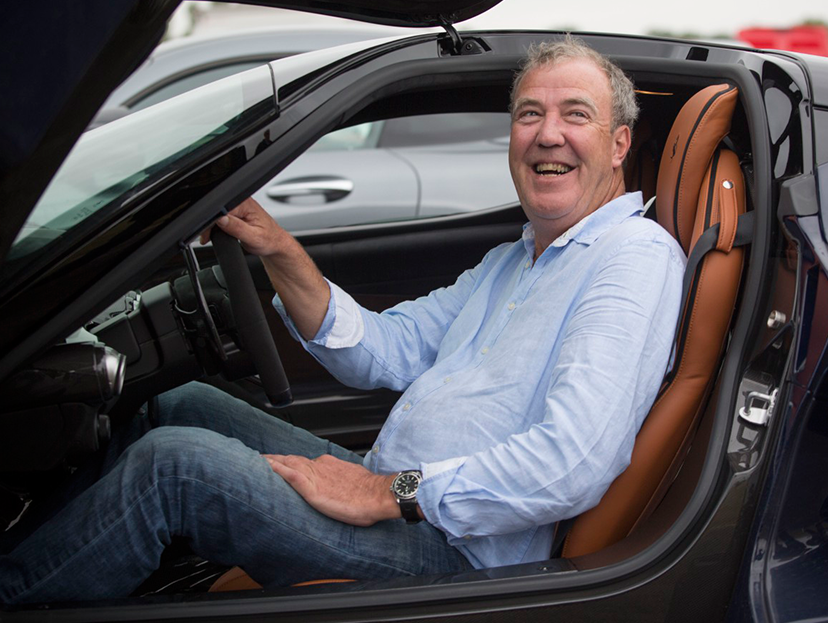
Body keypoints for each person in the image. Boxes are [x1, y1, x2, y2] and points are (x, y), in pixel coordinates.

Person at [0, 36, 685, 604]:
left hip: (457, 558)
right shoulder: (516, 259)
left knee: (172, 468)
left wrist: (388, 491)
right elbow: (384, 350)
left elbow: (571, 463)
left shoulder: (632, 258)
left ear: (619, 143)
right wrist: (280, 252)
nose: (547, 134)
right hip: (393, 492)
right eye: (529, 113)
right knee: (173, 407)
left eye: (575, 114)